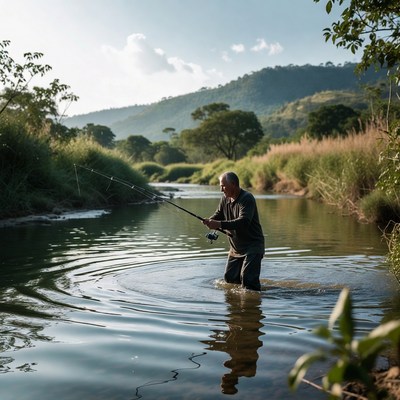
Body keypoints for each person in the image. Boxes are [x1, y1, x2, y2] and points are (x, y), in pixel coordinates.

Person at [202, 171, 265, 291]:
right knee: (229, 279)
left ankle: (251, 304)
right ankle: (236, 305)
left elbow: (243, 222)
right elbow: (219, 214)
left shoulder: (247, 198)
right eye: (220, 186)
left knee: (248, 280)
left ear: (233, 184)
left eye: (223, 186)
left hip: (253, 246)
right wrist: (210, 221)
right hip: (235, 248)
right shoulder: (224, 199)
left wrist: (218, 224)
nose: (221, 189)